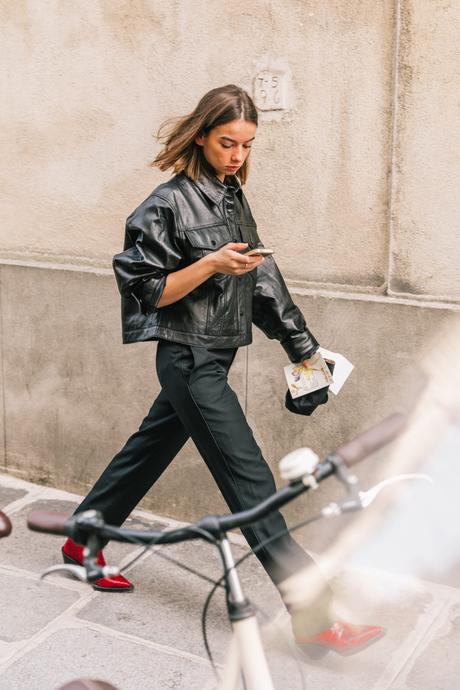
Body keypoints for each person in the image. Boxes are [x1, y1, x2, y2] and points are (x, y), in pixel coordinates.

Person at [62, 84, 383, 656]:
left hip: (217, 352)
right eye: (227, 143)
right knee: (251, 480)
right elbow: (147, 291)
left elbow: (261, 280)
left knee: (148, 449)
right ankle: (314, 614)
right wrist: (210, 263)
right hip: (188, 358)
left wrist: (303, 348)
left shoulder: (232, 197)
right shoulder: (165, 204)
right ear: (202, 136)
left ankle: (83, 537)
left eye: (248, 146)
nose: (238, 155)